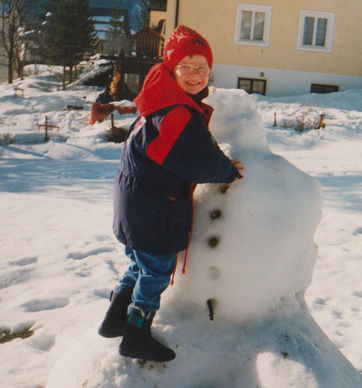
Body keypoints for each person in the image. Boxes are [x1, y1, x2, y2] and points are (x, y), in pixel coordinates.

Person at [98, 25, 244, 362]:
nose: (195, 75)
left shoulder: (161, 101)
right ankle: (136, 334)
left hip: (135, 204)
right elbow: (192, 157)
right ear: (171, 69)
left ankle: (114, 318)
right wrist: (228, 171)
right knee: (156, 272)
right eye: (186, 67)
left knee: (137, 263)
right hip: (153, 209)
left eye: (202, 68)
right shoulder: (175, 113)